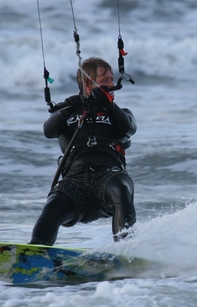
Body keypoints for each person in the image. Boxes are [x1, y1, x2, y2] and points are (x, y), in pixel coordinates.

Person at [29, 57, 137, 246]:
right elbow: (48, 131)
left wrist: (109, 105)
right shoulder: (68, 112)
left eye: (112, 79)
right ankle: (35, 251)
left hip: (108, 176)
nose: (112, 84)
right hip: (75, 180)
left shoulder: (121, 112)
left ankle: (127, 251)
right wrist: (66, 110)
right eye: (106, 80)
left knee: (121, 187)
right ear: (88, 83)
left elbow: (128, 127)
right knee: (53, 204)